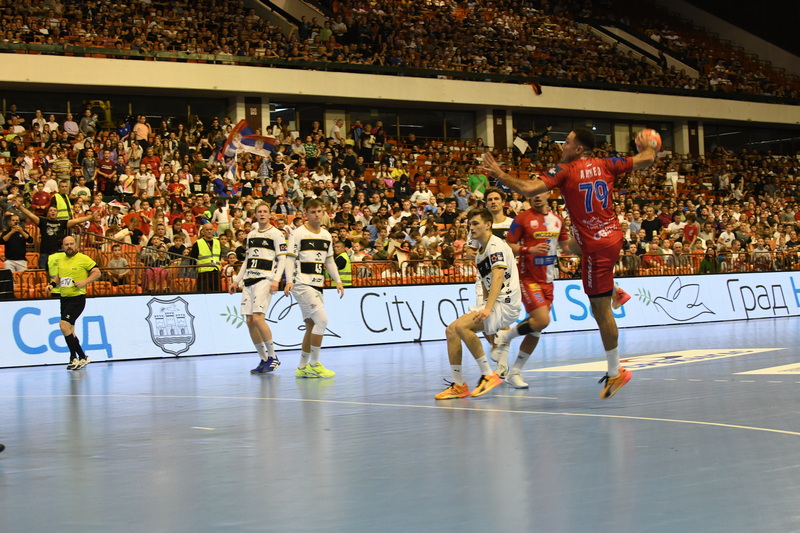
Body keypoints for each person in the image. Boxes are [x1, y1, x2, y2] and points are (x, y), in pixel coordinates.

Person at [481, 127, 657, 399]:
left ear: (578, 149)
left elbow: (527, 188)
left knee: (600, 310)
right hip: (611, 237)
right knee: (577, 254)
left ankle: (615, 371)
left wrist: (499, 174)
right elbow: (646, 159)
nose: (562, 146)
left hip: (595, 246)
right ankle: (614, 290)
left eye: (567, 142)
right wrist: (650, 144)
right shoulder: (607, 164)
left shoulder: (566, 170)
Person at [435, 208, 521, 400]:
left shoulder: (495, 246)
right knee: (451, 330)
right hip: (495, 302)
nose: (471, 228)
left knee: (462, 327)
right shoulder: (481, 253)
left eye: (475, 224)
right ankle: (458, 384)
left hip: (506, 304)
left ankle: (488, 374)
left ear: (488, 225)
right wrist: (483, 307)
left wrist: (488, 309)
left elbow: (498, 277)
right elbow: (486, 283)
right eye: (470, 224)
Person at [490, 191, 569, 388]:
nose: (537, 196)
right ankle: (504, 337)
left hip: (548, 280)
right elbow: (508, 245)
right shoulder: (522, 219)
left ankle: (515, 372)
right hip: (528, 278)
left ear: (548, 194)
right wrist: (528, 250)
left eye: (540, 192)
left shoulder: (557, 220)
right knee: (542, 320)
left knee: (537, 328)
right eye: (532, 193)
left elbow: (567, 247)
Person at [283, 199, 344, 378]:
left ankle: (302, 367)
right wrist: (289, 280)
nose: (317, 215)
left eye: (319, 211)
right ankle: (315, 363)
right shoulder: (298, 233)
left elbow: (329, 261)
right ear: (306, 214)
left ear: (323, 213)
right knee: (322, 320)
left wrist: (338, 280)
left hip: (318, 284)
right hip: (302, 283)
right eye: (313, 212)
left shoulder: (326, 235)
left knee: (311, 325)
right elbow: (290, 258)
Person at [229, 202, 288, 374]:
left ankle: (273, 357)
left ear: (270, 214)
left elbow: (282, 259)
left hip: (265, 279)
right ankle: (263, 359)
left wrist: (276, 279)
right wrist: (236, 280)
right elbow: (247, 260)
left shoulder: (276, 234)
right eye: (259, 212)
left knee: (258, 318)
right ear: (255, 214)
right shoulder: (252, 234)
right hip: (249, 280)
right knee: (249, 321)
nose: (262, 214)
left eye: (265, 211)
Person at [46, 236, 102, 370]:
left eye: (71, 244)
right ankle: (80, 357)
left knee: (63, 325)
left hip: (77, 298)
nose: (69, 246)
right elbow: (59, 276)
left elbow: (97, 272)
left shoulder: (83, 259)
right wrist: (52, 284)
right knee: (70, 330)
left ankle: (76, 357)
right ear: (63, 247)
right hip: (64, 298)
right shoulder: (61, 259)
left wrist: (84, 282)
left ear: (76, 245)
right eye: (66, 244)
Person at [13, 197, 92, 269]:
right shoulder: (43, 221)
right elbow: (30, 214)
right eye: (51, 210)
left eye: (54, 210)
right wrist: (20, 207)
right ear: (48, 213)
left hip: (57, 254)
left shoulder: (62, 223)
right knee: (43, 273)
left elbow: (77, 220)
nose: (53, 212)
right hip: (44, 254)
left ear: (57, 213)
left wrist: (90, 217)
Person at [189, 223, 222, 292]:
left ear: (213, 231)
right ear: (203, 232)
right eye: (207, 230)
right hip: (203, 274)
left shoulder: (218, 242)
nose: (209, 231)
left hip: (216, 272)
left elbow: (219, 257)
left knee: (217, 294)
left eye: (210, 229)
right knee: (203, 294)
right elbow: (192, 259)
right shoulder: (197, 243)